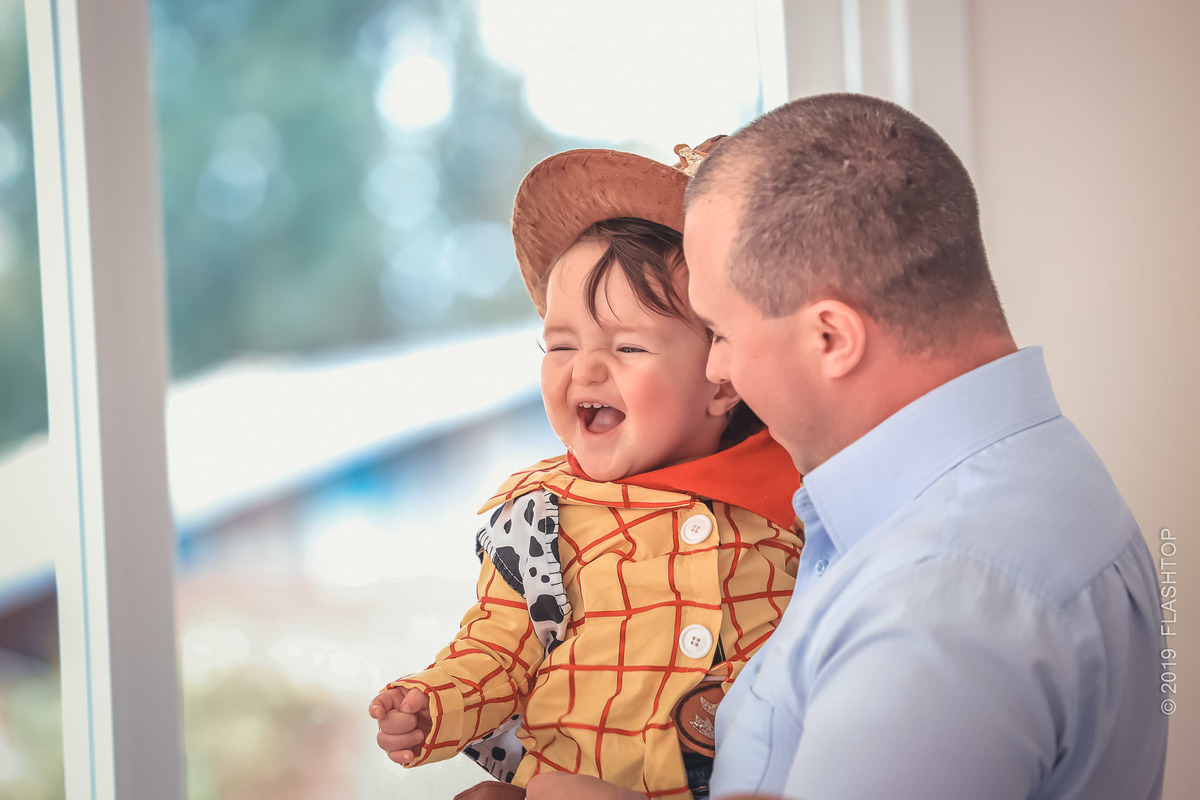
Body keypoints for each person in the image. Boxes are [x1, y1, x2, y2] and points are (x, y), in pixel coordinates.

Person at [526, 93, 1169, 800]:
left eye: (722, 334)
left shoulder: (939, 601)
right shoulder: (1031, 466)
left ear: (830, 337)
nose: (717, 371)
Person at [368, 140, 805, 800]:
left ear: (722, 378)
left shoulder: (797, 507)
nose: (585, 369)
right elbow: (496, 652)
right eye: (561, 344)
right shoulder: (541, 516)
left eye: (627, 346)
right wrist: (433, 703)